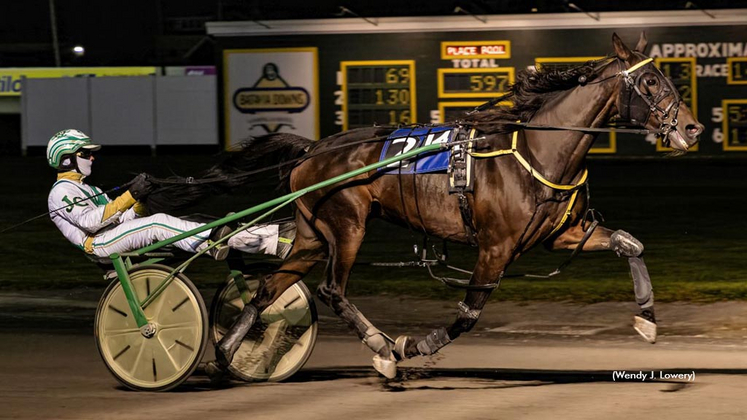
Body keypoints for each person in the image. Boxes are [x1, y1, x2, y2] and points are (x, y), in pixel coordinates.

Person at [46, 129, 294, 262]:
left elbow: (119, 218)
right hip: (99, 244)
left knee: (193, 216)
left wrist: (142, 200)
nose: (92, 157)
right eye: (85, 153)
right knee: (159, 223)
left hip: (112, 234)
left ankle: (270, 239)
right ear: (66, 158)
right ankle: (210, 243)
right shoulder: (60, 193)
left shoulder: (90, 189)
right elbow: (91, 222)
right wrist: (131, 194)